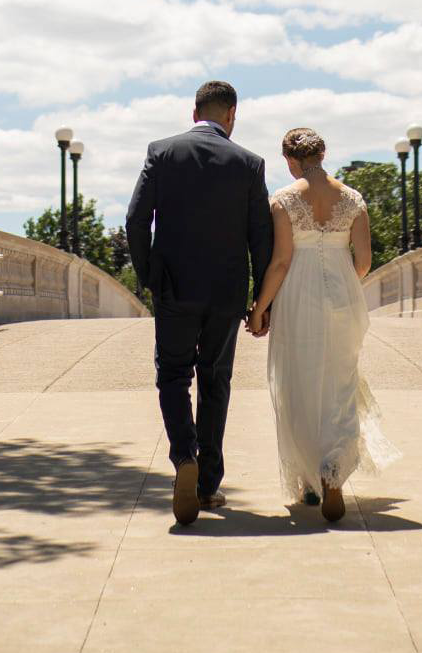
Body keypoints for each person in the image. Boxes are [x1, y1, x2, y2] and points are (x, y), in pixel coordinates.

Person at [125, 81, 274, 526]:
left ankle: (183, 457)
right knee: (215, 381)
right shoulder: (249, 164)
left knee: (172, 376)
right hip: (226, 294)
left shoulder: (162, 152)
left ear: (194, 113)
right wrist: (261, 302)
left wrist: (151, 276)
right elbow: (260, 238)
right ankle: (208, 485)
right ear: (232, 115)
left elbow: (136, 219)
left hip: (173, 288)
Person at [248, 127, 400, 521]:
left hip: (298, 296)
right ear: (324, 153)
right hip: (342, 297)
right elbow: (364, 261)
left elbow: (280, 262)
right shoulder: (353, 200)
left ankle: (307, 481)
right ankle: (333, 475)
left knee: (299, 383)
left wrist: (259, 308)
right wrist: (344, 282)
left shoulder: (283, 200)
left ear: (289, 160)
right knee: (340, 383)